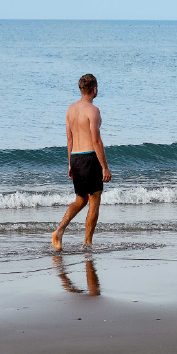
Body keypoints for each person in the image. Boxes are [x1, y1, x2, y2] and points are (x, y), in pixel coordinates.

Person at [51, 74, 112, 250]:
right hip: (89, 158)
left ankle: (59, 231)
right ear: (94, 90)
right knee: (94, 201)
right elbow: (96, 141)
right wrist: (105, 167)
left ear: (80, 89)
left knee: (80, 200)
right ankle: (87, 243)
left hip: (76, 157)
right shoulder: (93, 111)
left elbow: (69, 139)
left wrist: (70, 163)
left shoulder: (70, 110)